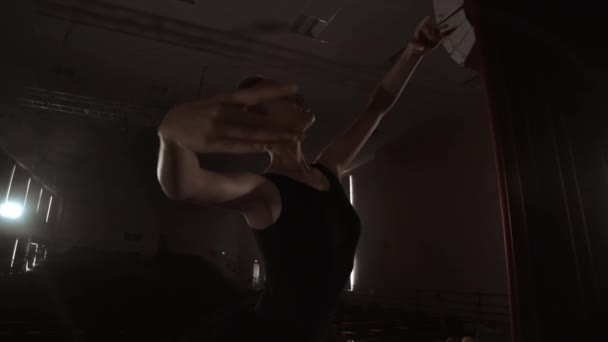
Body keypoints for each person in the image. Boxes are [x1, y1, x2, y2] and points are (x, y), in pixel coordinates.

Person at [157, 16, 454, 342]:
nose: (297, 96)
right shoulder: (264, 192)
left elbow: (377, 108)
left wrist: (412, 52)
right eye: (280, 97)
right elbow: (183, 185)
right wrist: (171, 138)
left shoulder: (330, 166)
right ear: (261, 123)